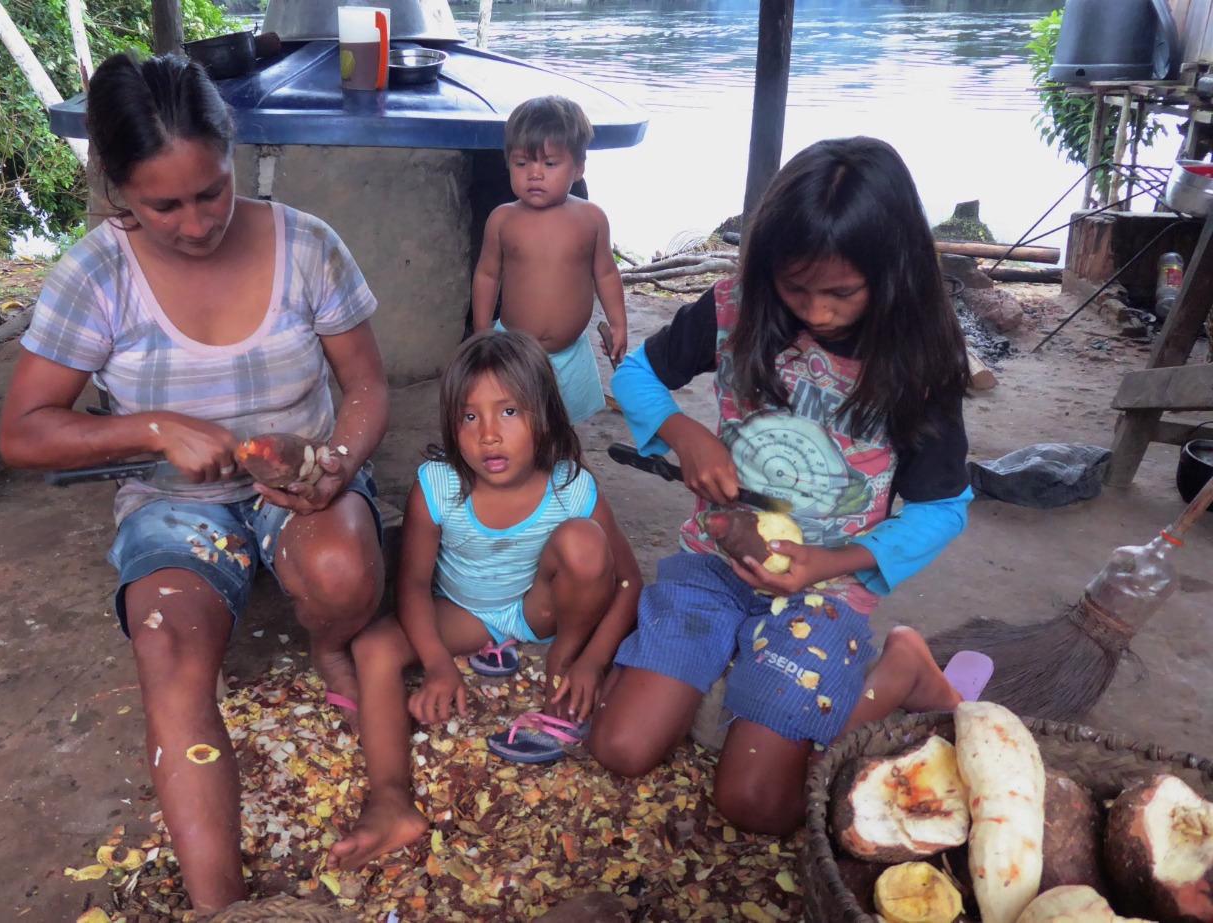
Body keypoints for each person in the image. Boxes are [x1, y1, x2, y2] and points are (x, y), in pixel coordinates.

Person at [0, 54, 388, 913]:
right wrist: (150, 427)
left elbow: (365, 387)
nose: (196, 221)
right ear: (116, 190)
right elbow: (23, 432)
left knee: (343, 576)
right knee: (167, 645)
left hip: (299, 483)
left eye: (211, 191)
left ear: (231, 150)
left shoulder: (307, 243)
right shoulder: (97, 274)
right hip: (174, 506)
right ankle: (226, 906)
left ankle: (330, 641)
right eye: (162, 205)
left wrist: (336, 464)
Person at [587, 137, 977, 835]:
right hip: (717, 558)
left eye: (841, 293)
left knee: (757, 805)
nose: (816, 312)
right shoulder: (737, 306)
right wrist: (686, 433)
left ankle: (904, 667)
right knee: (620, 748)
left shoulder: (918, 365)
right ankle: (726, 663)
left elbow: (943, 509)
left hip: (824, 590)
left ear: (892, 275)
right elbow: (636, 375)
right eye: (796, 287)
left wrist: (832, 562)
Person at [326, 329, 642, 871]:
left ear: (543, 414)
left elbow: (628, 582)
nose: (489, 436)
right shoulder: (439, 486)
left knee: (585, 545)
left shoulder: (570, 485)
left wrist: (588, 662)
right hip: (464, 613)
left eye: (509, 411)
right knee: (375, 649)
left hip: (538, 609)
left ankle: (558, 661)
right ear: (451, 424)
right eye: (470, 417)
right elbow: (411, 586)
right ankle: (390, 800)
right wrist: (436, 664)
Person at [471, 95, 629, 424]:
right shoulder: (502, 220)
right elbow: (487, 275)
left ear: (579, 167)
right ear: (508, 164)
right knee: (514, 424)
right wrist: (482, 331)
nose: (535, 174)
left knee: (561, 428)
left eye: (550, 163)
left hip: (569, 353)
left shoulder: (591, 218)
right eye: (522, 163)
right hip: (512, 350)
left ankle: (558, 474)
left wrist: (618, 323)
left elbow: (606, 273)